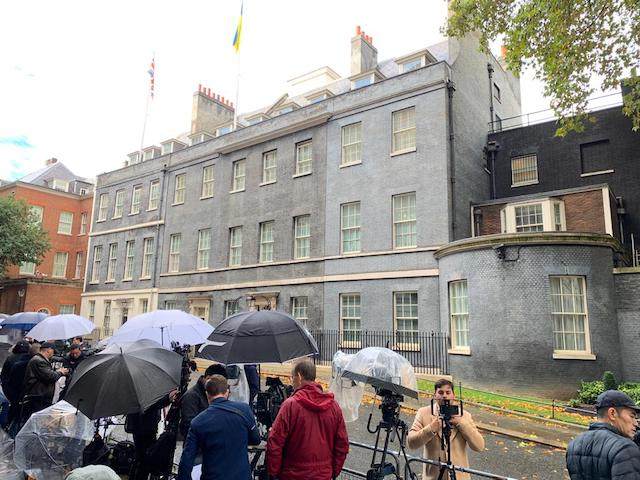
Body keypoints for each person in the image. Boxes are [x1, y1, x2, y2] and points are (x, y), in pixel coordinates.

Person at [267, 359, 349, 480]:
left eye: (292, 377)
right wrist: (333, 471)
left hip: (292, 474)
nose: (292, 382)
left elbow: (275, 442)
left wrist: (274, 472)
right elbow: (342, 444)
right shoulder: (334, 406)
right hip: (323, 475)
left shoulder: (290, 405)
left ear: (299, 376)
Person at [177, 375, 260, 480]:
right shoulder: (244, 410)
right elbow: (256, 439)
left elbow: (187, 459)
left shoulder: (198, 422)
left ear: (207, 394)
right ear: (227, 392)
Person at [407, 378, 484, 480]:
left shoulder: (465, 415)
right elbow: (411, 443)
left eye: (448, 392)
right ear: (435, 395)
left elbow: (479, 446)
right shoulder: (423, 413)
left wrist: (461, 424)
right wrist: (431, 429)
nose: (444, 396)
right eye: (440, 392)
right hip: (433, 477)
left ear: (453, 396)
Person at [566, 390, 640, 478]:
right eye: (632, 416)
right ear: (612, 413)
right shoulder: (625, 448)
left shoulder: (574, 444)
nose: (636, 423)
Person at [126, 392, 175, 480]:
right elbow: (153, 403)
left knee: (140, 457)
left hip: (139, 425)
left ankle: (135, 477)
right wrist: (168, 398)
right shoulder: (147, 390)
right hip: (144, 427)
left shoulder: (139, 388)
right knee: (144, 459)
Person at [179, 363, 227, 438]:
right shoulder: (192, 396)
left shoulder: (212, 393)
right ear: (208, 378)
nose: (219, 388)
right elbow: (188, 426)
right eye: (218, 384)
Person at [22, 342, 69, 414]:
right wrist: (60, 372)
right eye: (53, 351)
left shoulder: (40, 360)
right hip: (38, 396)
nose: (53, 353)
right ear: (49, 350)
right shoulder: (39, 361)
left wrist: (57, 371)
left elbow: (46, 374)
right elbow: (51, 377)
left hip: (40, 395)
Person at [0, 341, 31, 421]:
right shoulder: (30, 359)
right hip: (24, 388)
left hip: (10, 387)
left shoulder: (10, 358)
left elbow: (4, 374)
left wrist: (5, 385)